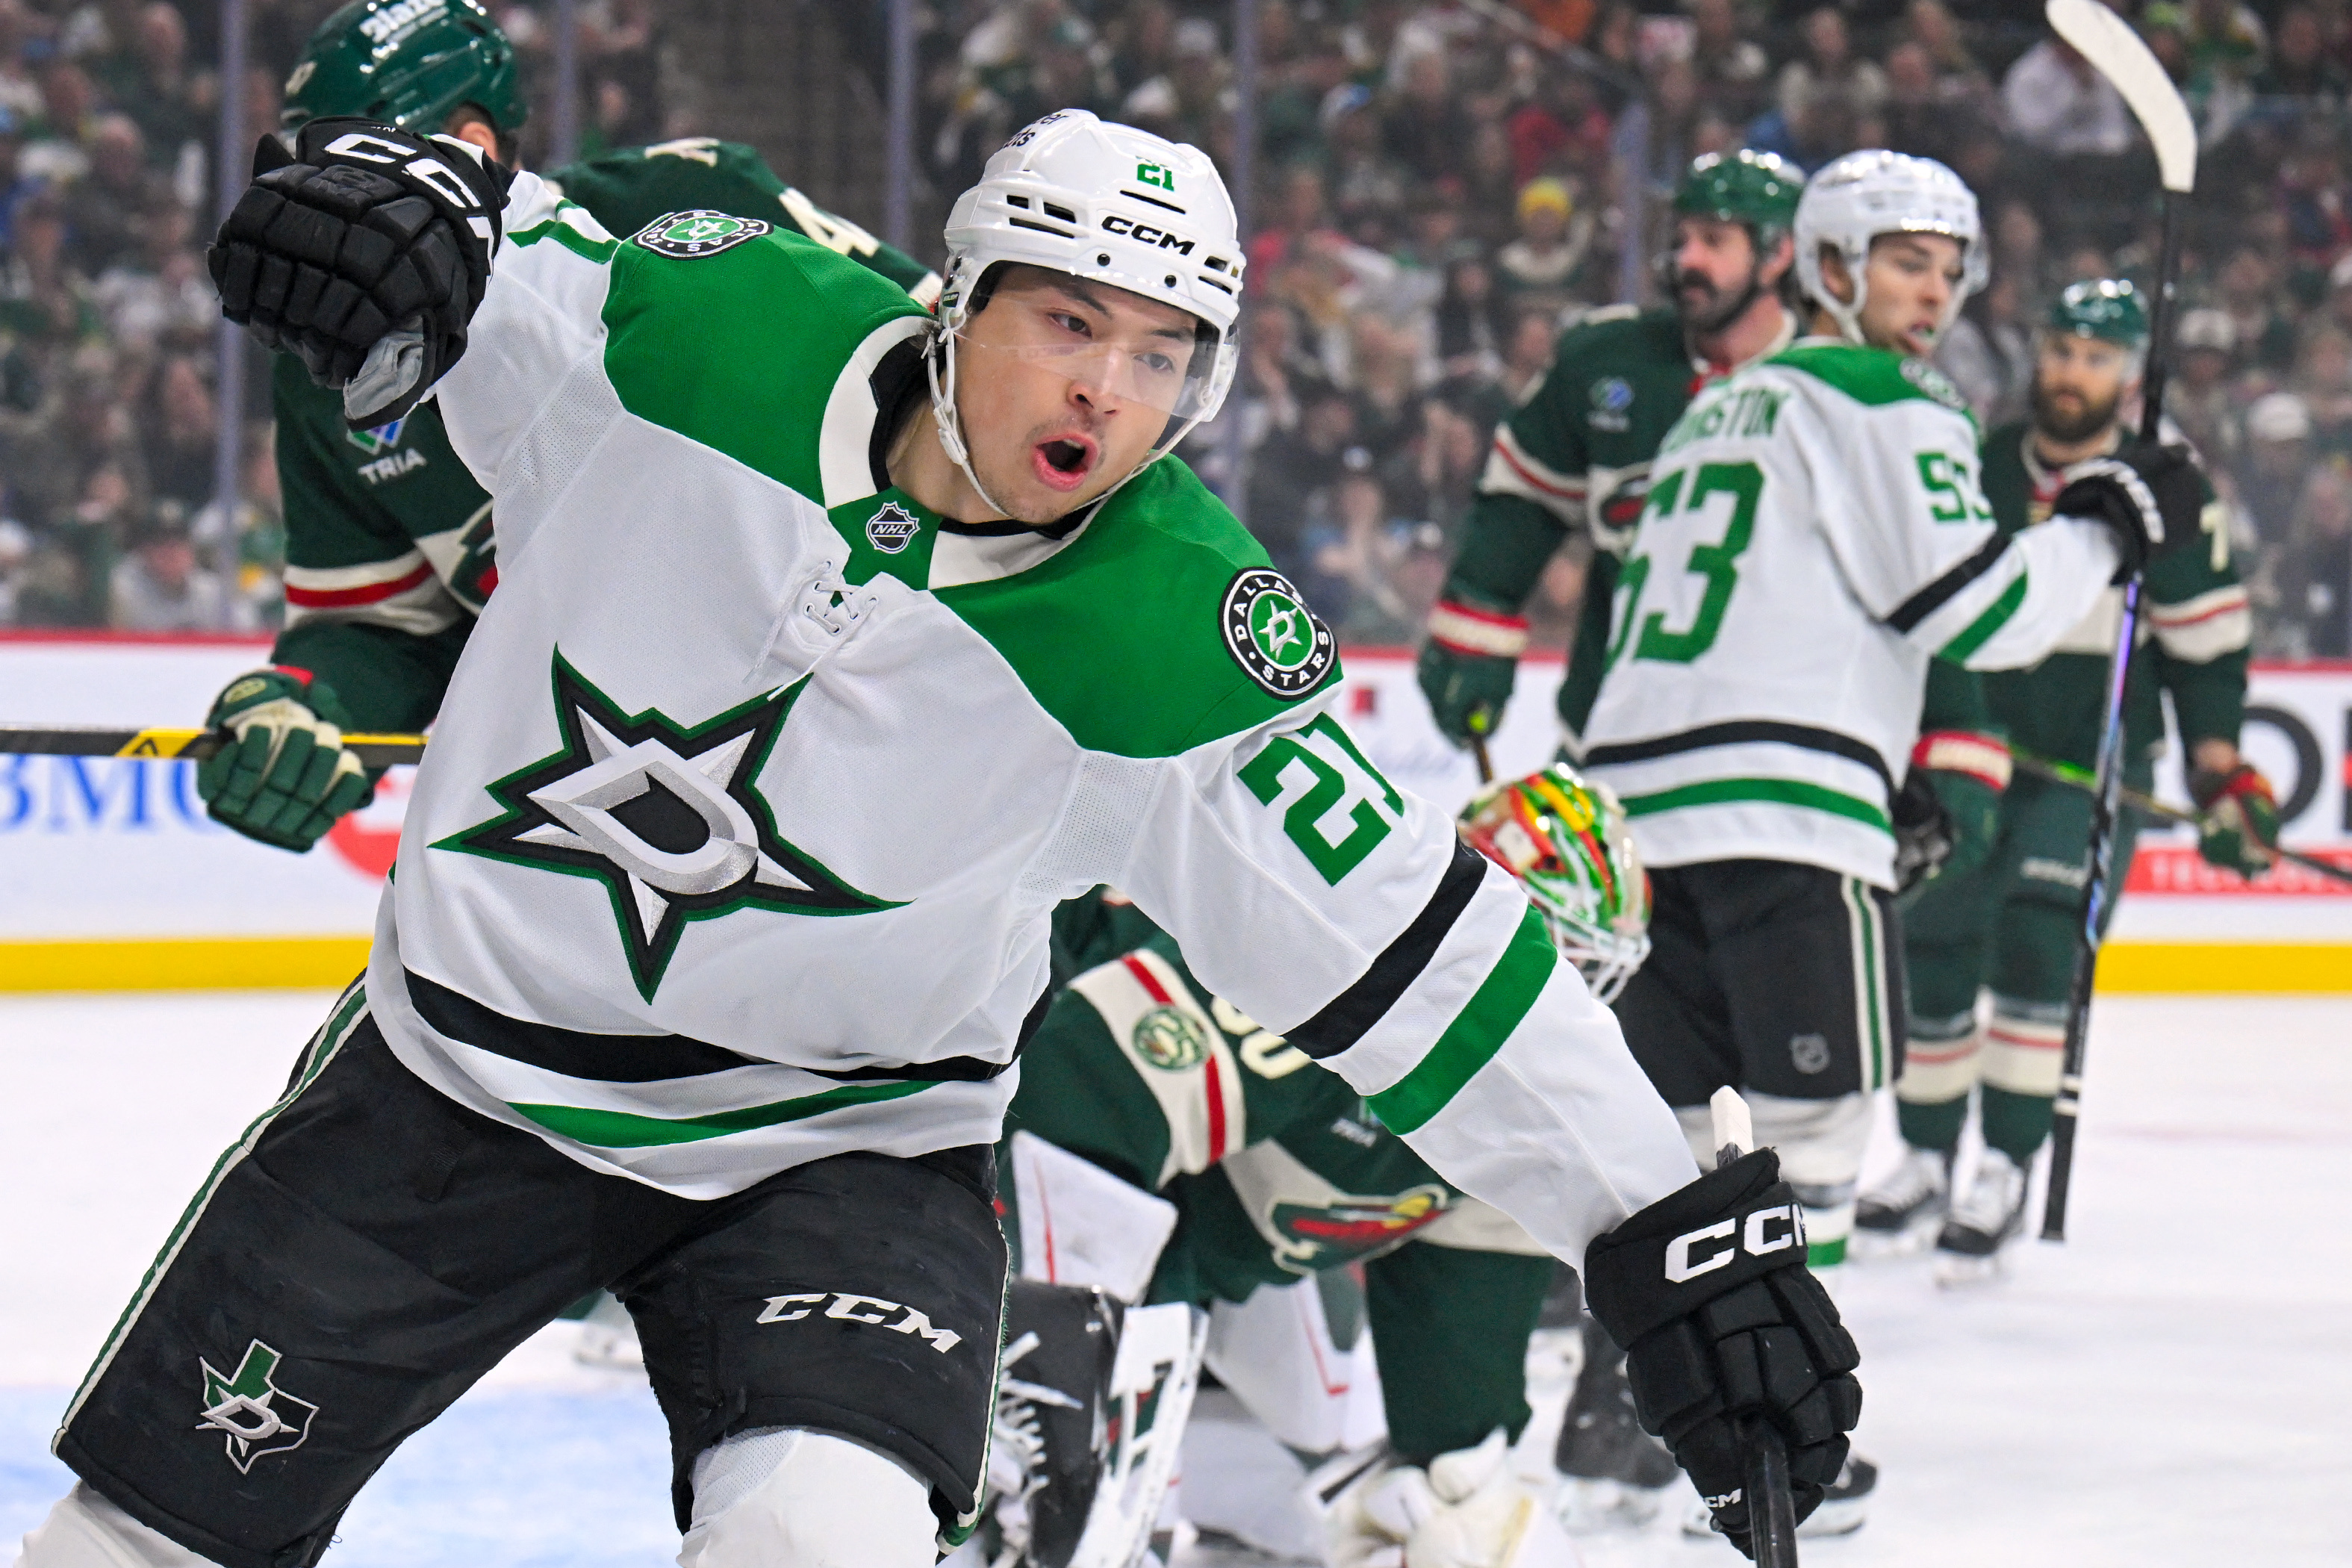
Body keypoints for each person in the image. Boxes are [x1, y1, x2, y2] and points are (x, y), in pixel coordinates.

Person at [18, 108, 1864, 1568]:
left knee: (826, 1542)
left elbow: (1420, 951)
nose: (1105, 394)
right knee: (132, 1543)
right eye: (1067, 322)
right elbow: (462, 261)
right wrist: (388, 195)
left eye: (1163, 355)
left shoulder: (1184, 639)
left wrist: (1667, 1223)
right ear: (956, 296)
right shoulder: (700, 326)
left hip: (840, 1154)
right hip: (448, 1097)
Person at [1572, 152, 2174, 1540]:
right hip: (1783, 809)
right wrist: (2103, 526)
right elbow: (1970, 612)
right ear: (1832, 264)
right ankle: (1786, 1441)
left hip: (1638, 814)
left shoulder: (1721, 412)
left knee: (1679, 1140)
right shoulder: (1888, 397)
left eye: (1952, 270)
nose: (1936, 293)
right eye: (1908, 260)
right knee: (1816, 1134)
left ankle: (1671, 1419)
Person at [190, 0, 941, 853]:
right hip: (614, 805)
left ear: (468, 147)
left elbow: (949, 385)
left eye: (354, 161)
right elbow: (384, 625)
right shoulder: (324, 374)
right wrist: (305, 697)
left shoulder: (683, 206)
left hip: (861, 743)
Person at [1001, 765, 1649, 1566]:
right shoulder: (1335, 968)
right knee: (1094, 1517)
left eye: (1588, 974)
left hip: (1206, 1251)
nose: (1560, 1002)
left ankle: (1166, 1464)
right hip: (998, 1163)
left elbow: (1457, 1386)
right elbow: (1076, 1095)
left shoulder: (1516, 1119)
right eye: (1553, 961)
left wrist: (1453, 1486)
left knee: (1383, 1456)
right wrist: (1068, 1403)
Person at [1859, 281, 2272, 1279]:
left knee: (2040, 955)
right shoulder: (1978, 463)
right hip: (1965, 752)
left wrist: (2222, 777)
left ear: (2128, 378)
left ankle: (2002, 1164)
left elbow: (2204, 648)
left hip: (2087, 771)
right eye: (2058, 351)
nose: (2069, 373)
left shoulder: (2163, 488)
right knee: (1937, 951)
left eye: (2093, 358)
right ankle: (1923, 1152)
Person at [1419, 149, 1807, 762]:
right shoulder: (1609, 358)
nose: (1688, 261)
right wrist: (1475, 628)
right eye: (1681, 240)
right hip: (1610, 732)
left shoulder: (1836, 386)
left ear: (1778, 253)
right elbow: (1523, 503)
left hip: (1777, 748)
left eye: (1715, 240)